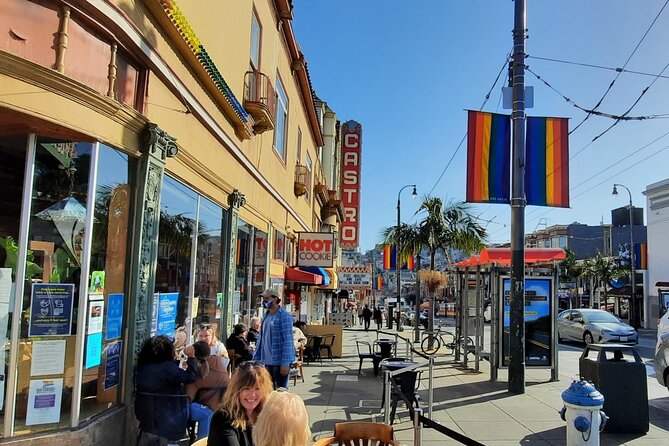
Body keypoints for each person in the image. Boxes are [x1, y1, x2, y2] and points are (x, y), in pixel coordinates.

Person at [135, 335, 199, 443]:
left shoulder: (143, 367)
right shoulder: (168, 369)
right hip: (168, 418)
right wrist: (191, 357)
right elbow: (191, 377)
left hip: (146, 418)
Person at [207, 361, 273, 446]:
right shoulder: (223, 418)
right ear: (236, 390)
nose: (252, 395)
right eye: (246, 388)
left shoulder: (266, 416)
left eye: (257, 388)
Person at [184, 341, 230, 440]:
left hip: (209, 408)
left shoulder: (196, 371)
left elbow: (188, 397)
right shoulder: (218, 362)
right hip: (222, 406)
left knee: (202, 412)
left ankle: (201, 440)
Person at [253, 288, 294, 389]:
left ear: (275, 299)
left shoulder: (284, 316)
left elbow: (288, 341)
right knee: (266, 391)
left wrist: (285, 363)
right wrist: (257, 360)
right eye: (263, 298)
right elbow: (262, 339)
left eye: (267, 298)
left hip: (278, 362)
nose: (264, 301)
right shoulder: (266, 315)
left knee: (280, 393)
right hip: (265, 362)